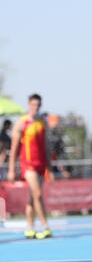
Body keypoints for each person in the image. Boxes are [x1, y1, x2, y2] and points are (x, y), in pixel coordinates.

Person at [7, 94, 53, 239]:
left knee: (32, 198)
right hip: (28, 165)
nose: (36, 107)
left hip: (41, 165)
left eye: (38, 105)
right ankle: (45, 226)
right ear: (29, 105)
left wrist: (49, 167)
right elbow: (14, 149)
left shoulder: (42, 122)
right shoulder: (21, 123)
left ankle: (29, 227)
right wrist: (11, 169)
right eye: (33, 105)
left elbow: (46, 146)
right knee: (38, 194)